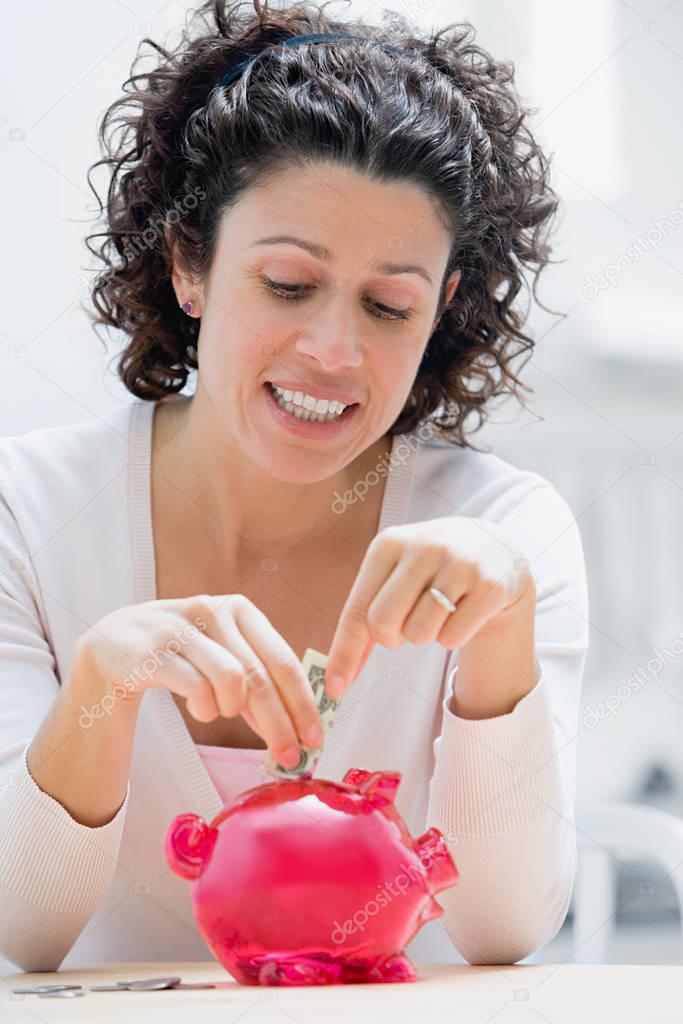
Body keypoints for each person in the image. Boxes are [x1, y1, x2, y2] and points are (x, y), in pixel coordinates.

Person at [0, 0, 589, 973]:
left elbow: (502, 929)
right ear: (191, 262)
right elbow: (20, 930)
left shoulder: (501, 530)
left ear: (439, 309)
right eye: (286, 284)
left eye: (387, 305)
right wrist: (101, 686)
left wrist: (499, 635)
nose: (332, 352)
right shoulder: (27, 513)